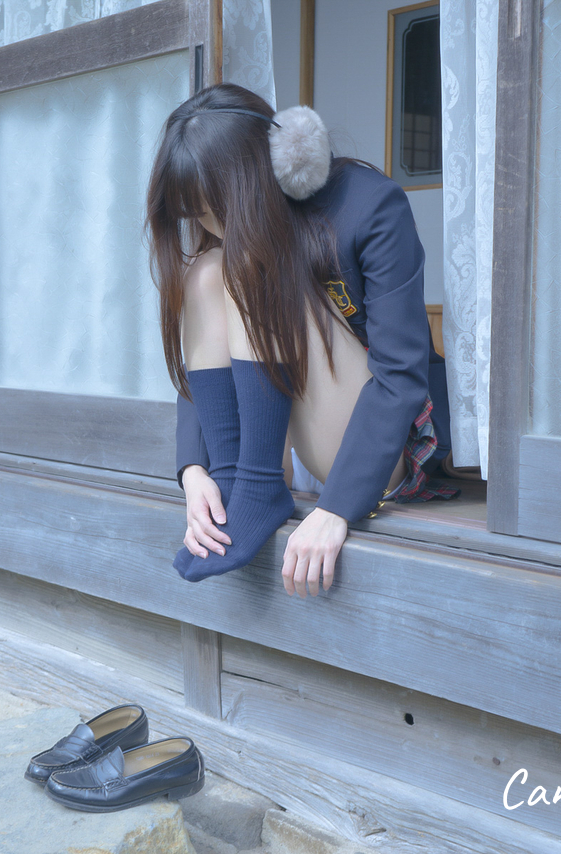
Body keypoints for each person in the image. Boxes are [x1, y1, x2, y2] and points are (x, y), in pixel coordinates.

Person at [145, 84, 458, 597]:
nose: (214, 226)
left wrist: (336, 509)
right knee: (205, 272)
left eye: (220, 208)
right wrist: (196, 471)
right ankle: (239, 483)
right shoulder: (225, 244)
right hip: (275, 445)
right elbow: (210, 365)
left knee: (246, 264)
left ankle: (257, 485)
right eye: (198, 214)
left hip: (373, 451)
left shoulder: (369, 204)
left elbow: (400, 373)